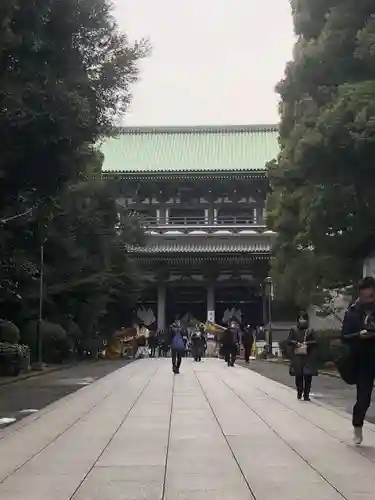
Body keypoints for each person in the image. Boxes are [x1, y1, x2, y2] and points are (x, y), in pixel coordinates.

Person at [341, 276, 375, 445]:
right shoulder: (353, 311)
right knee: (363, 398)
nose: (368, 300)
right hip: (363, 359)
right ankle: (357, 425)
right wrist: (359, 335)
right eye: (364, 297)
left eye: (371, 297)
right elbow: (344, 336)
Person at [288, 312, 317, 401]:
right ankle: (299, 391)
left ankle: (306, 394)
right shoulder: (293, 330)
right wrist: (295, 343)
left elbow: (316, 341)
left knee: (308, 376)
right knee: (298, 375)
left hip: (308, 356)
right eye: (300, 318)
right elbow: (289, 340)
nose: (302, 320)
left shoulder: (311, 330)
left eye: (303, 318)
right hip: (298, 356)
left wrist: (306, 343)